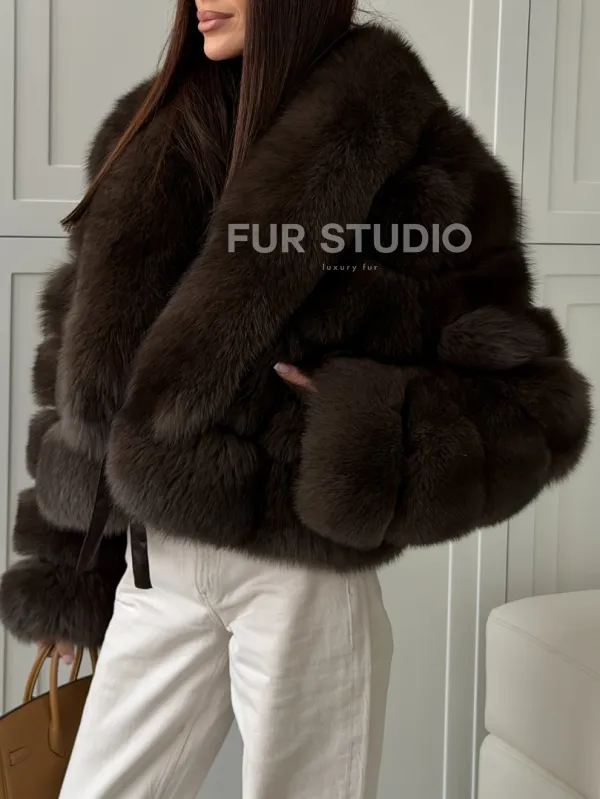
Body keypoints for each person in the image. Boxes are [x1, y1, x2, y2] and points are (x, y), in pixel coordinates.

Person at [0, 0, 592, 797]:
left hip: (299, 575)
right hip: (156, 565)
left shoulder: (405, 147)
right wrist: (70, 569)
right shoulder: (151, 134)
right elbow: (77, 368)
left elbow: (531, 402)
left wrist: (361, 422)